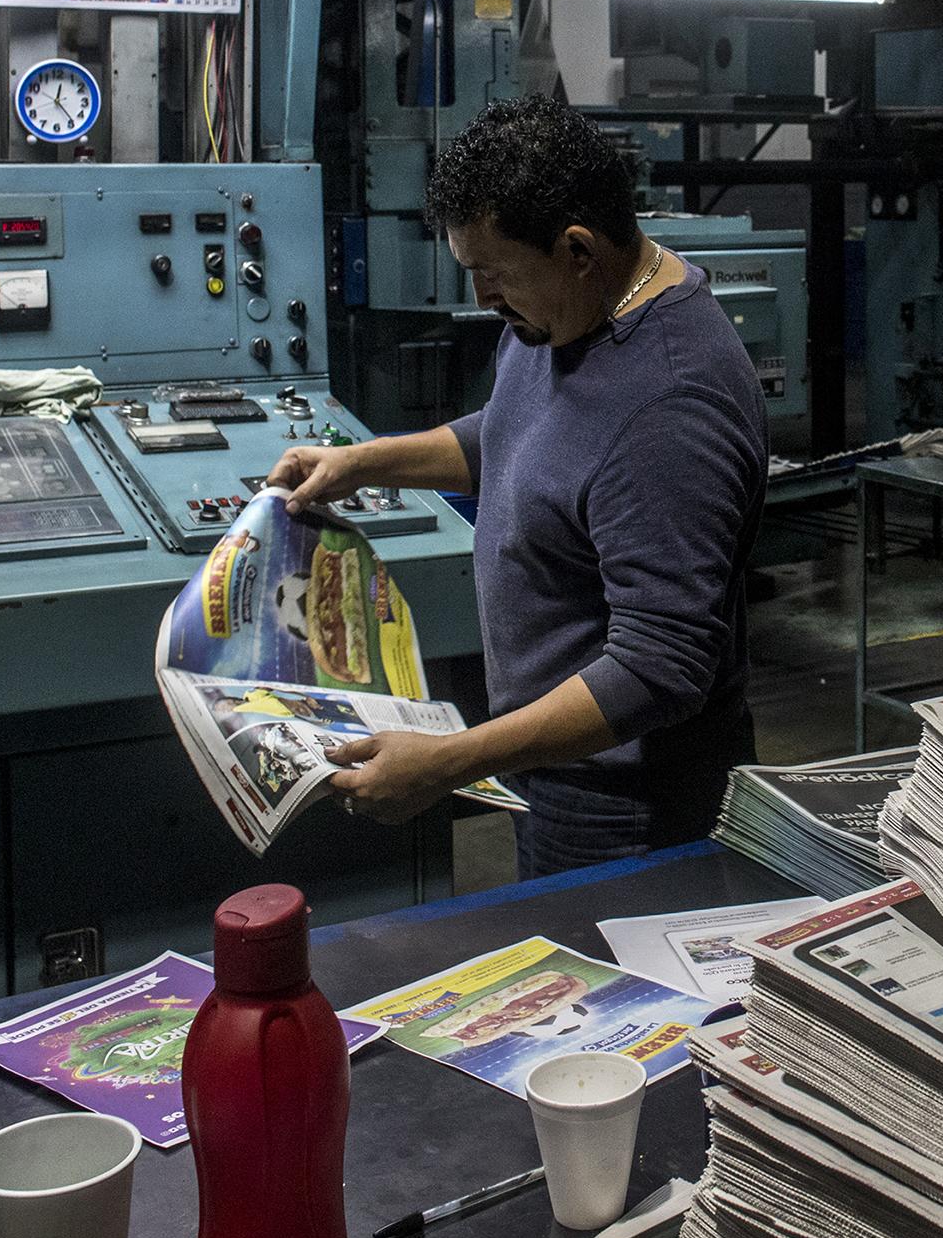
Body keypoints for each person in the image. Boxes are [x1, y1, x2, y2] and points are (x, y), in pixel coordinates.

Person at [267, 95, 764, 877]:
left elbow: (660, 666)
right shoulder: (564, 313)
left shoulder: (669, 405)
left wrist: (450, 762)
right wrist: (364, 462)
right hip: (556, 779)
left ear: (576, 248)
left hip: (628, 810)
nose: (482, 299)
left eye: (493, 274)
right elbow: (512, 433)